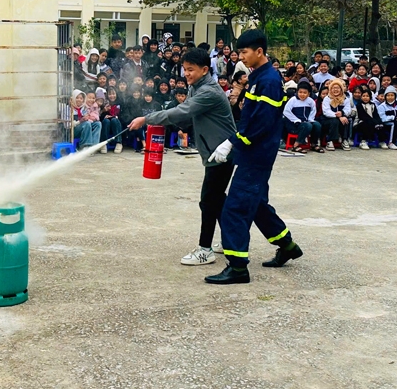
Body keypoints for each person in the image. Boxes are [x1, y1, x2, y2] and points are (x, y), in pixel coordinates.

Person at [204, 29, 302, 285]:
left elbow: (261, 123)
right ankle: (287, 246)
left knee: (234, 209)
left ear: (259, 51)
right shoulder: (259, 77)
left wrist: (233, 142)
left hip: (256, 155)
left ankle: (237, 267)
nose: (241, 58)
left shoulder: (268, 80)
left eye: (245, 52)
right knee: (256, 204)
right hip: (254, 152)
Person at [128, 48, 237, 266]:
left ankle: (205, 250)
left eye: (191, 70)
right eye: (184, 69)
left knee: (208, 201)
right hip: (213, 151)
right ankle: (231, 241)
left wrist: (147, 118)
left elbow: (182, 112)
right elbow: (187, 117)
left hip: (223, 153)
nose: (186, 74)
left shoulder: (209, 92)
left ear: (205, 70)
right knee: (217, 201)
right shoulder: (197, 87)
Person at [282, 81, 321, 154]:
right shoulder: (293, 100)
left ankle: (314, 144)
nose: (302, 94)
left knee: (317, 125)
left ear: (309, 93)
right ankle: (296, 145)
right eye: (300, 92)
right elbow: (286, 111)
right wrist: (296, 120)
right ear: (297, 92)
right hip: (294, 124)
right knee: (307, 125)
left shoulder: (311, 101)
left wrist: (310, 120)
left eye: (305, 92)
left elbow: (313, 111)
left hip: (306, 123)